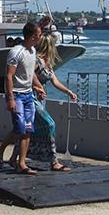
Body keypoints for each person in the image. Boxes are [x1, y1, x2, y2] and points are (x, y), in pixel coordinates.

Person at [7, 33, 77, 171]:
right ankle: (53, 161)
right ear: (49, 46)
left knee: (27, 130)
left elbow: (55, 82)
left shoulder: (48, 64)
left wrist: (68, 92)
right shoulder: (37, 61)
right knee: (49, 124)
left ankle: (13, 158)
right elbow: (28, 75)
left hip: (40, 99)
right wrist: (37, 86)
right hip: (31, 98)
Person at [0, 22, 45, 175]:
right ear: (33, 36)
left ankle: (22, 163)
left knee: (28, 129)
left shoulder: (33, 51)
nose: (40, 37)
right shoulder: (16, 52)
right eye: (39, 35)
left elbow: (30, 74)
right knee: (19, 128)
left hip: (28, 95)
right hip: (16, 95)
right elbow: (9, 76)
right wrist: (11, 98)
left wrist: (38, 87)